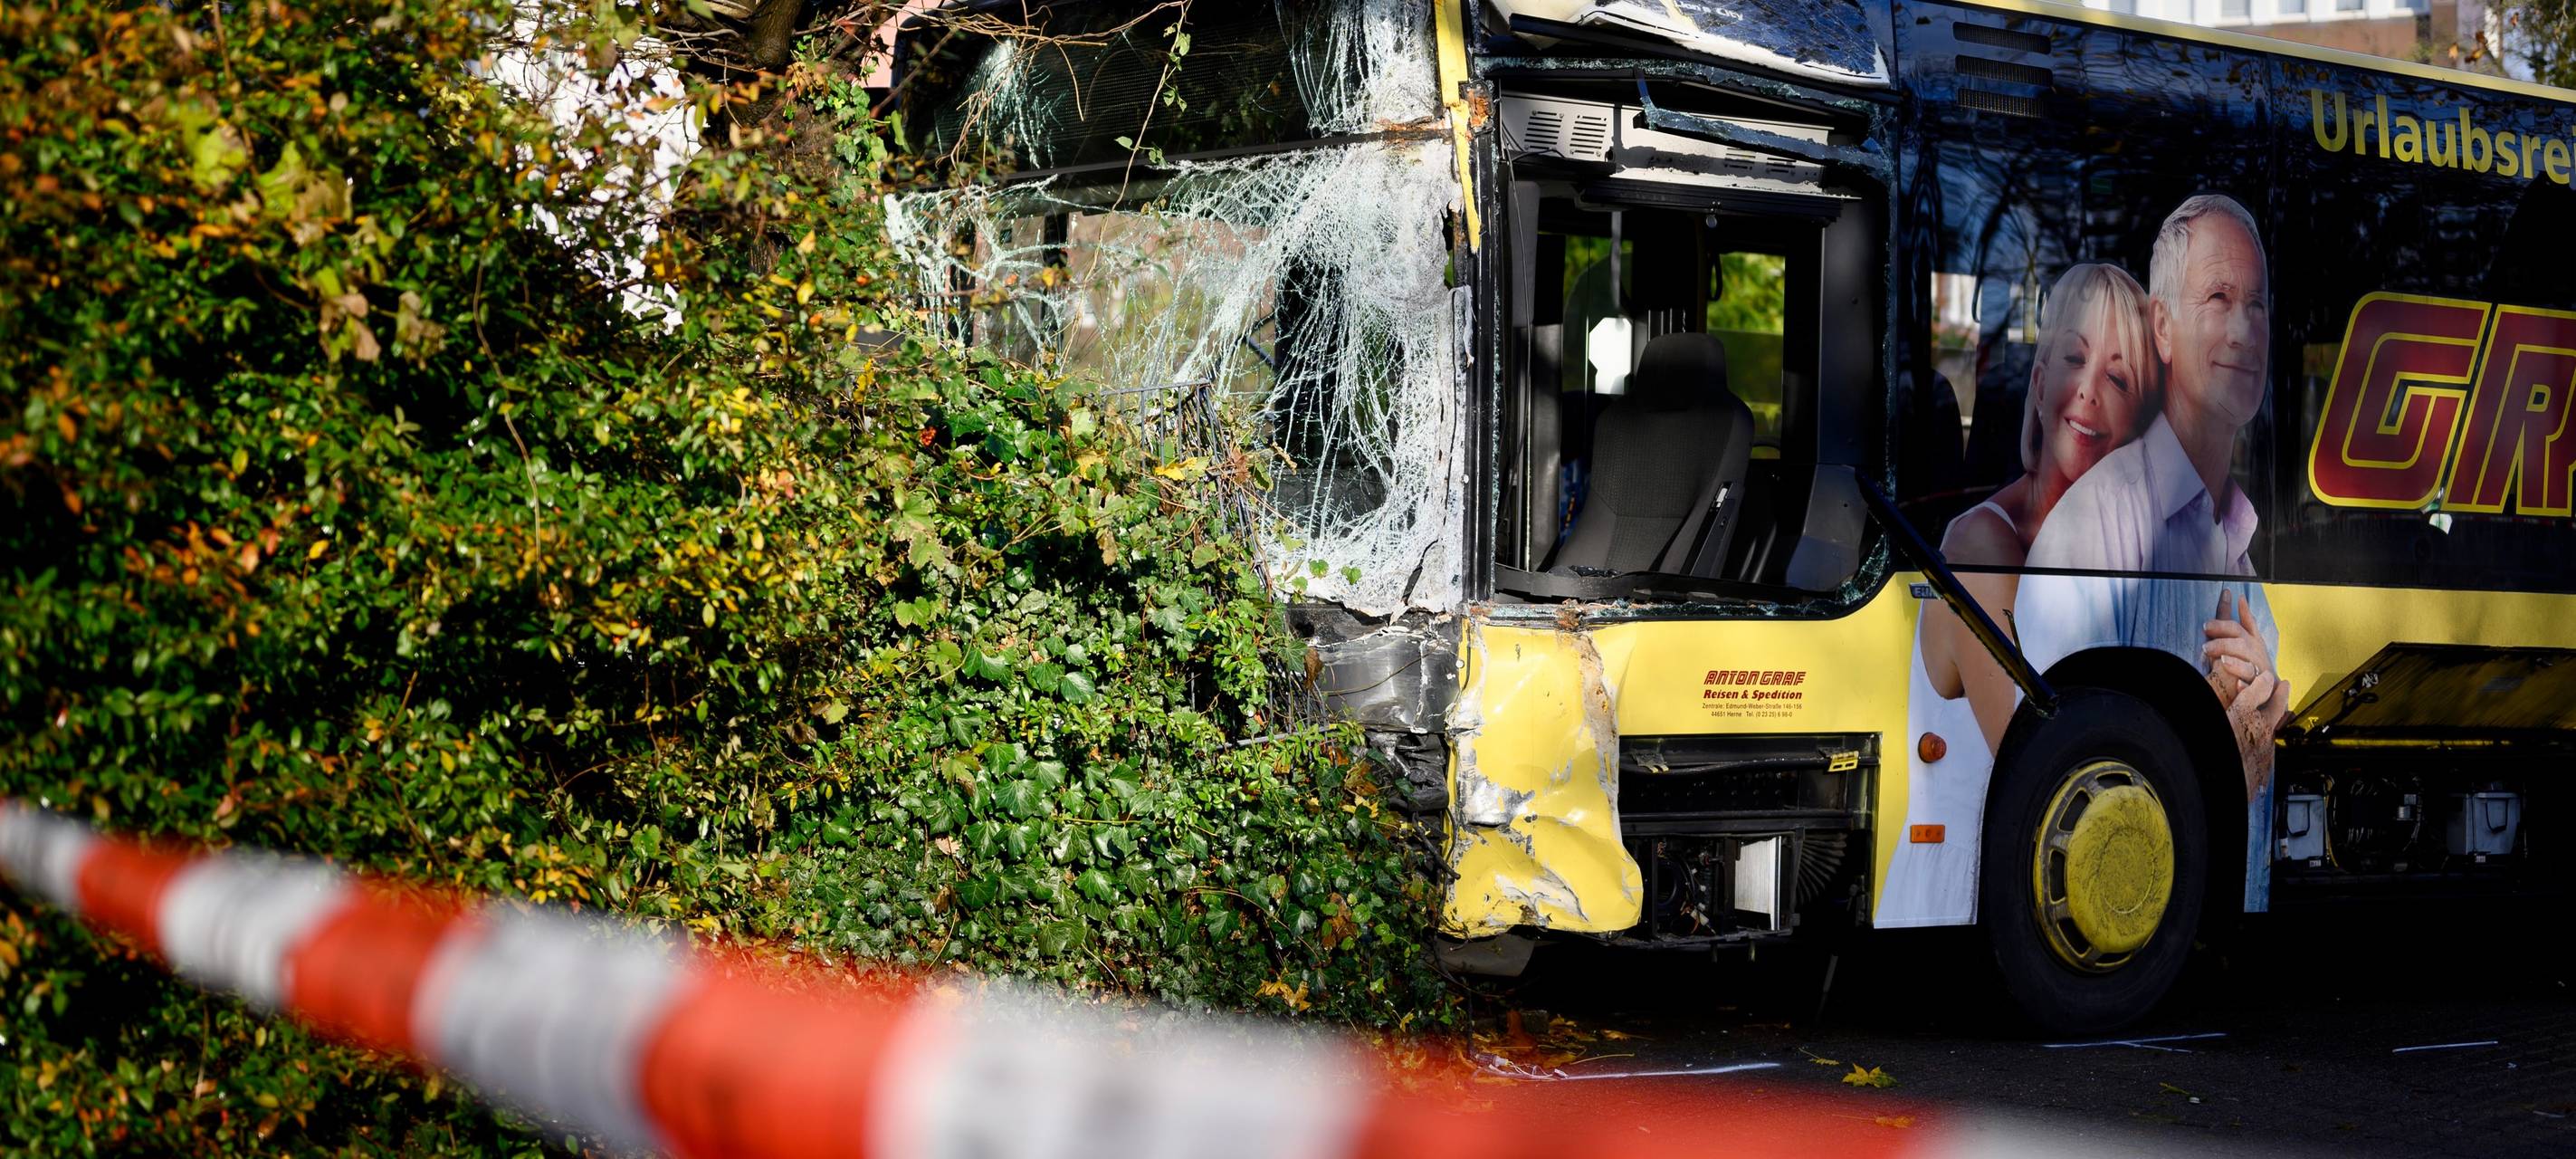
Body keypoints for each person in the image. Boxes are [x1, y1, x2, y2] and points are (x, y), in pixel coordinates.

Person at [1881, 263, 2158, 927]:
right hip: (1964, 889)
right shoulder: (1984, 543)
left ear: (2139, 424)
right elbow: (2035, 753)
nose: (2087, 393)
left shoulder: (2101, 558)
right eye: (2074, 359)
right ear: (2038, 385)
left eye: (2118, 378)